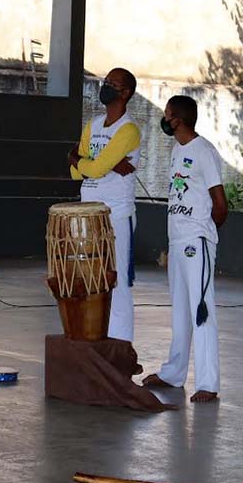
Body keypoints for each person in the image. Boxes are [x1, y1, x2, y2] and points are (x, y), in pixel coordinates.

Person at [142, 96, 228, 402]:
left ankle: (207, 383)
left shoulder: (204, 151)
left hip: (197, 242)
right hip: (177, 241)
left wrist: (203, 234)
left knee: (202, 311)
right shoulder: (178, 150)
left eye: (167, 115)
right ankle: (173, 373)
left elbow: (220, 205)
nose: (164, 120)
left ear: (177, 119)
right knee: (180, 310)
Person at [68, 68, 142, 342]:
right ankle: (96, 337)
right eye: (105, 81)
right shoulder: (93, 125)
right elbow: (78, 171)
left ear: (126, 93)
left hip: (116, 214)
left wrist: (82, 161)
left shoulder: (129, 130)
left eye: (113, 83)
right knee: (89, 278)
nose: (106, 86)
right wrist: (89, 164)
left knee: (117, 280)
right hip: (88, 210)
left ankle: (121, 343)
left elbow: (93, 167)